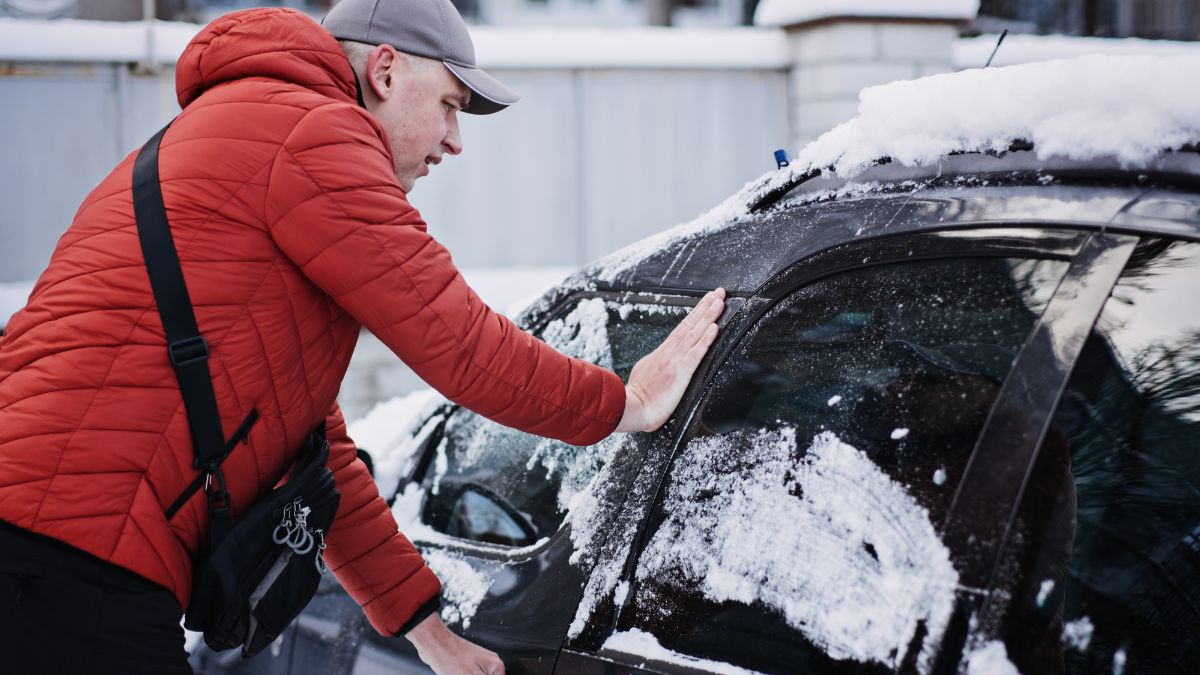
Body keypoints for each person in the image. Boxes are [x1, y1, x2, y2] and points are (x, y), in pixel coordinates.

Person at [0, 0, 725, 673]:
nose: (455, 139)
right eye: (448, 104)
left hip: (43, 545)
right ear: (384, 71)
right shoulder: (316, 131)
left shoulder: (251, 132)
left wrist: (429, 636)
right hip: (71, 554)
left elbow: (315, 459)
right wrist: (626, 402)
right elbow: (462, 345)